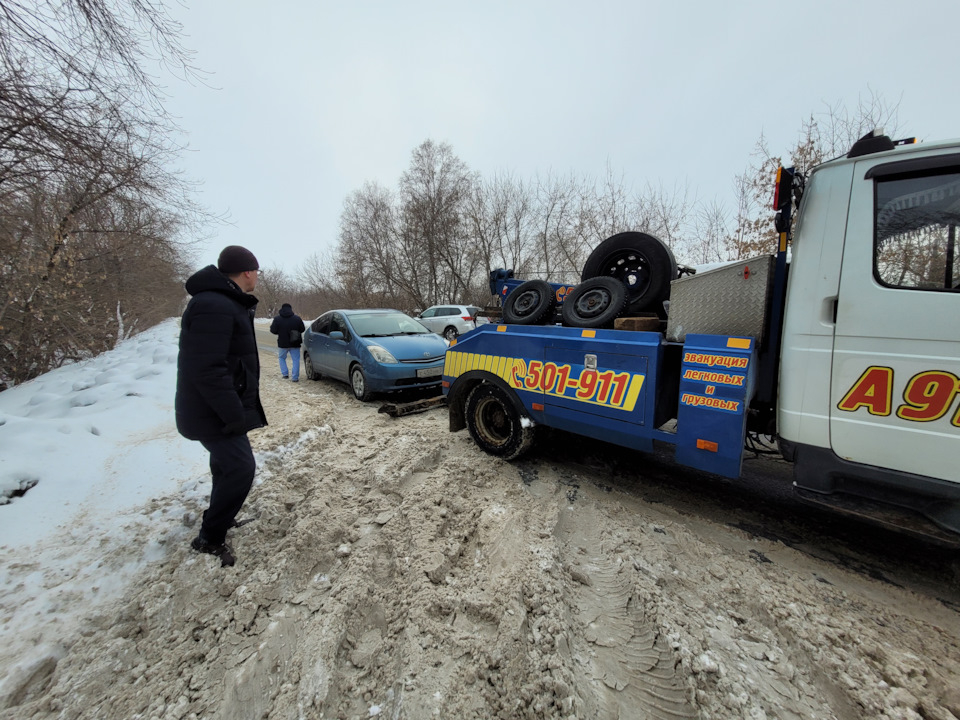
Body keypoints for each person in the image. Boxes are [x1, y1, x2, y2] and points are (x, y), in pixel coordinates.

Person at [175, 245, 267, 567]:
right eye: (256, 270)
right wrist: (234, 414)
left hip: (212, 409)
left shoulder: (222, 301)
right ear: (246, 272)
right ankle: (209, 537)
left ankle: (219, 519)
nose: (257, 275)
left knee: (226, 466)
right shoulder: (214, 304)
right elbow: (207, 369)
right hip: (213, 412)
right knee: (241, 469)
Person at [269, 302, 306, 381]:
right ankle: (295, 377)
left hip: (282, 343)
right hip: (295, 342)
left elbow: (273, 330)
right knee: (296, 360)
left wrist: (280, 332)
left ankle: (285, 374)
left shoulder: (277, 319)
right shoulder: (297, 318)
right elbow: (302, 329)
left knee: (282, 358)